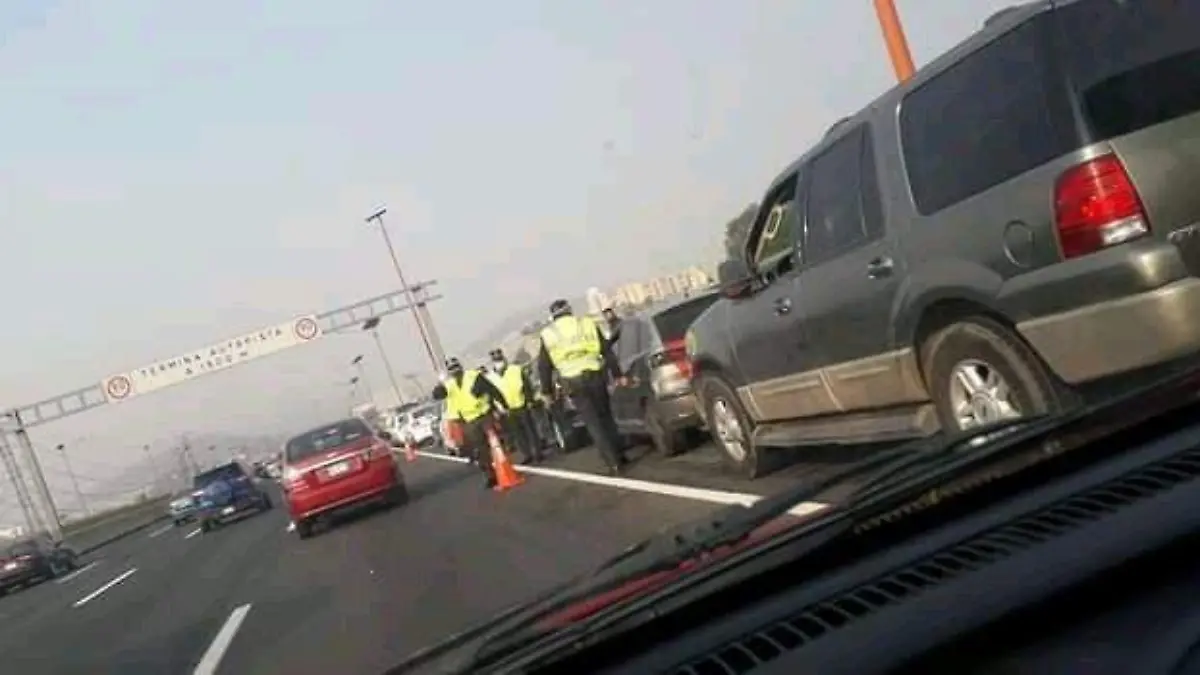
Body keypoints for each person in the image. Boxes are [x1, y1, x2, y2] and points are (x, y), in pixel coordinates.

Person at [536, 298, 629, 475]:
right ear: (569, 310)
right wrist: (617, 374)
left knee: (593, 423)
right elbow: (606, 350)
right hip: (595, 376)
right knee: (606, 417)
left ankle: (613, 463)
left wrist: (547, 392)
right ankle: (620, 453)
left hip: (573, 382)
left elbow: (544, 366)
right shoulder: (586, 323)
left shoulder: (549, 334)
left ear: (553, 316)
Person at [431, 357, 507, 488]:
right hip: (468, 421)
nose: (455, 370)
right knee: (479, 450)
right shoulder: (449, 385)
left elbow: (492, 390)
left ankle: (504, 467)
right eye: (451, 369)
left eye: (456, 367)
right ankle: (491, 476)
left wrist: (502, 405)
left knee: (495, 443)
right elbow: (437, 395)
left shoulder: (473, 376)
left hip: (483, 415)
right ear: (449, 371)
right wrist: (440, 384)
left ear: (460, 366)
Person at [486, 347, 542, 465]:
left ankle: (537, 452)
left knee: (530, 430)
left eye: (499, 358)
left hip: (521, 403)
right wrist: (495, 409)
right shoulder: (491, 377)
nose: (499, 361)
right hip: (506, 409)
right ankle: (527, 454)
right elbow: (491, 395)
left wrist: (529, 400)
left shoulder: (515, 369)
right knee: (517, 433)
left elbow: (526, 386)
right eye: (496, 359)